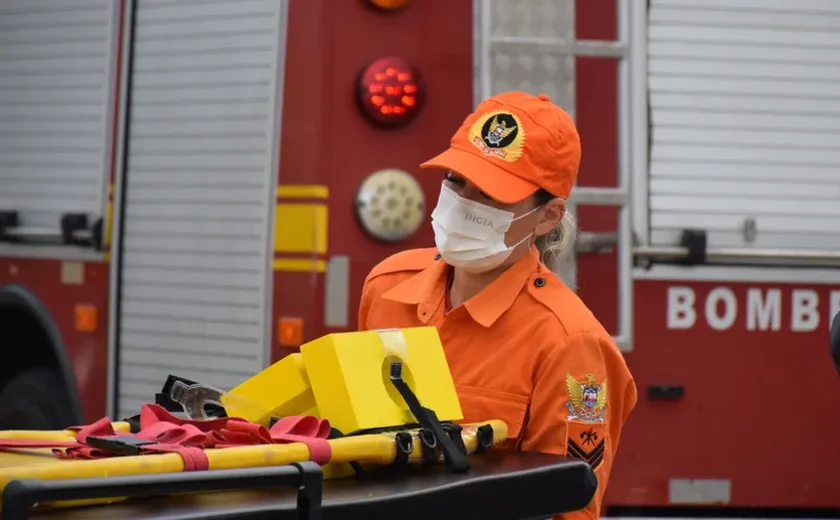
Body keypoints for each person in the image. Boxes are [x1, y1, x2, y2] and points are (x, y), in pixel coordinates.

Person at [358, 91, 637, 519]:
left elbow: (566, 509)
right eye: (456, 180)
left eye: (492, 196)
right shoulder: (387, 286)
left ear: (548, 216)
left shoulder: (569, 343)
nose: (464, 203)